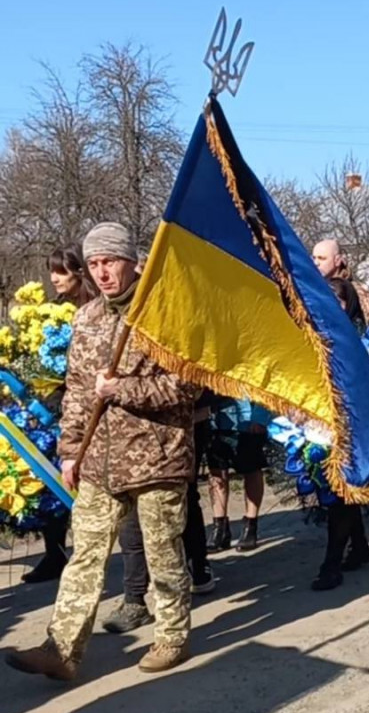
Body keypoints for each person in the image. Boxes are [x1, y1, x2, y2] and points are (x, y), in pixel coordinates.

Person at [5, 222, 194, 681]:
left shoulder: (164, 315)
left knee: (163, 551)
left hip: (157, 458)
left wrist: (123, 388)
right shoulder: (86, 318)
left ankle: (171, 634)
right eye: (94, 264)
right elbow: (75, 394)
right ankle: (62, 649)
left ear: (131, 261)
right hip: (98, 461)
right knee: (86, 555)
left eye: (110, 261)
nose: (103, 272)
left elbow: (186, 386)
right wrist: (69, 452)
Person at [103, 395, 216, 634]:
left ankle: (196, 568)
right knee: (131, 514)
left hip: (179, 426)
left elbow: (187, 385)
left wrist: (118, 388)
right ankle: (134, 598)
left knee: (182, 500)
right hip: (126, 432)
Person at [21, 246, 96, 585]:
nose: (54, 278)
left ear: (79, 272)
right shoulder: (50, 313)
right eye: (52, 272)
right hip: (54, 406)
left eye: (61, 272)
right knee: (53, 482)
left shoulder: (93, 310)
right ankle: (55, 553)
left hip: (90, 403)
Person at [310, 277, 369, 590]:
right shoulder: (312, 334)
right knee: (337, 494)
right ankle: (360, 546)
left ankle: (331, 564)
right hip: (319, 423)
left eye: (340, 300)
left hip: (352, 424)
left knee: (341, 493)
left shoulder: (359, 337)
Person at [206, 398, 269, 553]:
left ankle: (250, 524)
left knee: (251, 469)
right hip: (214, 416)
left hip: (248, 415)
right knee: (216, 472)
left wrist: (261, 417)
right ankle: (220, 528)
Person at [312, 237, 369, 328]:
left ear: (337, 260)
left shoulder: (338, 288)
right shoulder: (351, 286)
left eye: (322, 258)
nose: (316, 263)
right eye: (314, 258)